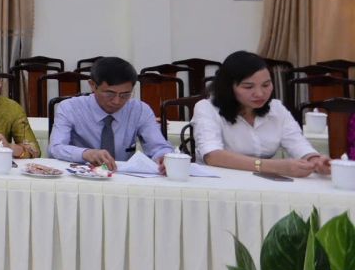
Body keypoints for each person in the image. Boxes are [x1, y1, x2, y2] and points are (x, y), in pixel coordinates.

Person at [192, 50, 330, 177]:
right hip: (220, 181)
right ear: (228, 88)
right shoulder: (206, 108)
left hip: (264, 182)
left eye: (266, 85)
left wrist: (314, 160)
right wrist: (274, 167)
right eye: (248, 87)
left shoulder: (276, 108)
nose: (259, 94)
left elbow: (297, 142)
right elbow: (212, 156)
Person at [48, 56, 173, 169]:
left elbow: (158, 146)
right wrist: (86, 154)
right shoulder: (70, 108)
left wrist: (163, 157)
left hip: (122, 177)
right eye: (109, 94)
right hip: (80, 173)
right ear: (92, 85)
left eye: (125, 95)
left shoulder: (139, 110)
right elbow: (55, 148)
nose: (117, 101)